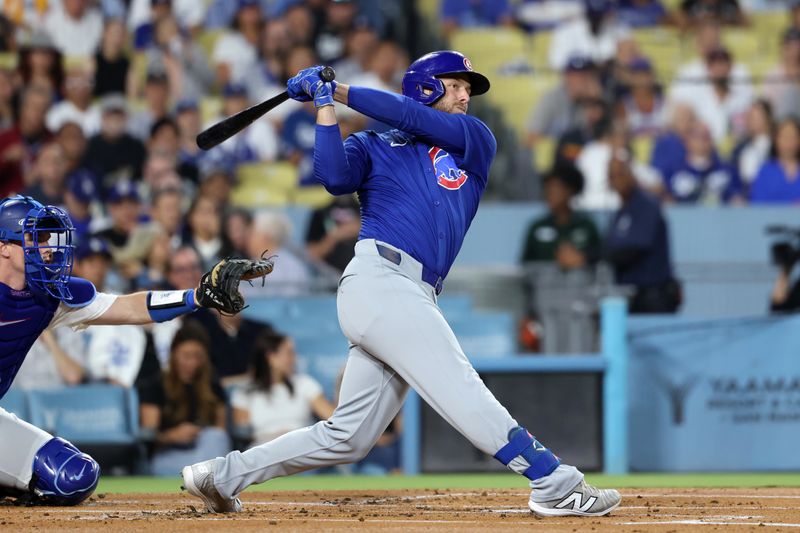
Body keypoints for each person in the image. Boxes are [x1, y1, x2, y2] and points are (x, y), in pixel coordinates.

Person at [182, 50, 621, 517]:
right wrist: (325, 106)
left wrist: (339, 90)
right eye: (455, 85)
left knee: (347, 437)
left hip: (408, 292)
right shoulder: (372, 144)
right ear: (427, 86)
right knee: (460, 384)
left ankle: (220, 475)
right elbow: (331, 176)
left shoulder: (474, 138)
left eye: (467, 87)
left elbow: (407, 114)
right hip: (380, 279)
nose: (465, 94)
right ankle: (553, 480)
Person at [0, 194, 266, 505]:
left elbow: (128, 307)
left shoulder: (50, 295)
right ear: (3, 246)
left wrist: (196, 297)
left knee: (73, 478)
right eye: (34, 237)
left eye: (47, 236)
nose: (46, 247)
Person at [138, 322, 230, 476]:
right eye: (186, 355)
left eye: (197, 356)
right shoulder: (155, 384)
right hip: (169, 455)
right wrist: (171, 436)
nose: (192, 363)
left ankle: (205, 474)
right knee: (208, 465)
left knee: (215, 438)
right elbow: (148, 436)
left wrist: (201, 434)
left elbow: (220, 431)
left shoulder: (213, 384)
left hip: (206, 450)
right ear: (173, 353)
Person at [605, 151, 680, 313]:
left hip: (652, 296)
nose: (616, 180)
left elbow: (634, 249)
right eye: (611, 176)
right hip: (631, 295)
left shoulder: (646, 205)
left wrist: (589, 257)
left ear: (631, 174)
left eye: (620, 173)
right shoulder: (621, 211)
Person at [230, 331, 335, 447]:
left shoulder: (304, 383)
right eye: (289, 353)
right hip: (264, 451)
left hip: (301, 447)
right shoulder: (244, 392)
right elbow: (242, 433)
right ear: (271, 357)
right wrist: (275, 438)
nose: (294, 359)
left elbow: (332, 417)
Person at [521, 166, 600, 269]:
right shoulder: (536, 228)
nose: (549, 193)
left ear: (570, 191)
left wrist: (580, 259)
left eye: (555, 188)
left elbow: (599, 263)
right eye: (547, 188)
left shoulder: (588, 227)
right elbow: (525, 267)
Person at [750, 117, 800, 203]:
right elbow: (757, 205)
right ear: (776, 139)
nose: (788, 142)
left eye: (793, 137)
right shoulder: (765, 172)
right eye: (784, 137)